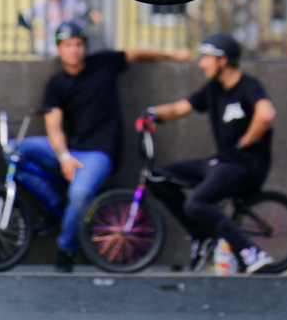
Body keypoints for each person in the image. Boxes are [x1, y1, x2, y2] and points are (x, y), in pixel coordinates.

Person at [13, 19, 193, 272]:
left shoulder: (104, 63)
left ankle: (66, 248)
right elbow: (53, 125)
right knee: (13, 149)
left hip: (99, 153)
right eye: (67, 45)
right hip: (69, 150)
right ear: (59, 49)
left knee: (81, 193)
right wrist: (64, 157)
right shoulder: (56, 83)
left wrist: (173, 54)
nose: (74, 50)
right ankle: (58, 205)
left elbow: (136, 53)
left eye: (78, 44)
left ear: (84, 46)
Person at [144, 32, 276, 274]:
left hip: (246, 165)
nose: (202, 63)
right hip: (223, 162)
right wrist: (152, 115)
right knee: (157, 177)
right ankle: (200, 235)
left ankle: (250, 251)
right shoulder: (214, 89)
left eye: (207, 58)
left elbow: (266, 114)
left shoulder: (248, 86)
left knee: (197, 202)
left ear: (223, 60)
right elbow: (179, 108)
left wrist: (249, 138)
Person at [21, 0, 103, 56]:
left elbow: (86, 11)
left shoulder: (70, 0)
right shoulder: (41, 4)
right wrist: (34, 32)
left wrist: (94, 15)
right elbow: (23, 19)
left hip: (67, 42)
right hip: (47, 45)